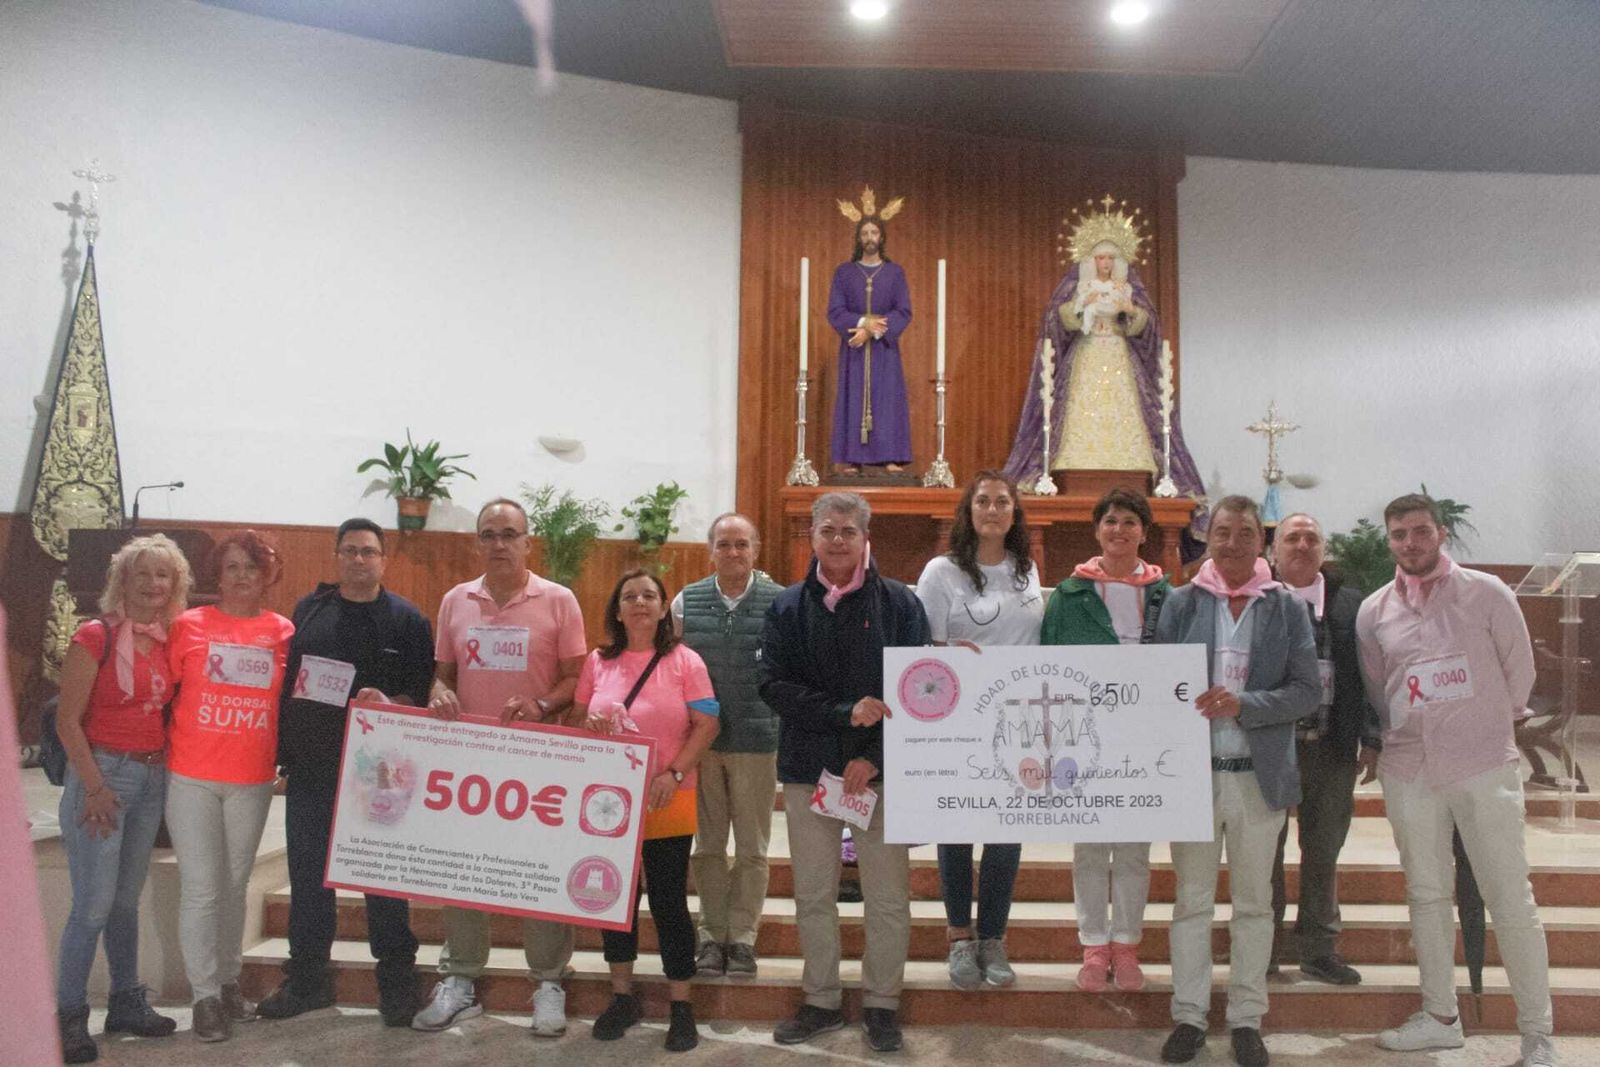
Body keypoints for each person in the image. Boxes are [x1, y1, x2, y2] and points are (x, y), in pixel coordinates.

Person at [1356, 494, 1557, 1067]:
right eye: (1399, 535)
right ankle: (1440, 1017)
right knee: (1425, 894)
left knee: (1510, 897)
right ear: (1389, 540)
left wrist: (1478, 721)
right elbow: (1379, 685)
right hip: (1409, 768)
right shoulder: (1374, 610)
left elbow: (1520, 672)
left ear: (1440, 533)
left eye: (1420, 531)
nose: (1410, 543)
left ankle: (1537, 1034)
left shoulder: (1487, 592)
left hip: (1482, 764)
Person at [760, 491, 931, 1053]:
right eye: (828, 530)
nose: (837, 540)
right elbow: (775, 687)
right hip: (810, 773)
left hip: (876, 775)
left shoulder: (901, 605)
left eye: (848, 531)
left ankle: (881, 1004)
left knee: (886, 897)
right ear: (812, 535)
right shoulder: (785, 607)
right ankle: (822, 1000)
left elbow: (919, 690)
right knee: (813, 894)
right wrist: (842, 715)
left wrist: (872, 755)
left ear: (865, 538)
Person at [1153, 496, 1319, 1067]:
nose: (1231, 543)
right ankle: (1189, 1016)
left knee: (1254, 904)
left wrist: (1243, 703)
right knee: (1191, 903)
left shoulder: (1287, 608)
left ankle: (1247, 1018)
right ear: (1209, 538)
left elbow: (1307, 692)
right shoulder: (1180, 603)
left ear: (1260, 541)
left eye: (1244, 533)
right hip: (1192, 778)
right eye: (1221, 532)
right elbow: (1156, 684)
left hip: (1258, 778)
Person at [414, 497, 586, 1036]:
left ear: (528, 542)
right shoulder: (454, 601)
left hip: (537, 763)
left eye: (510, 534)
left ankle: (549, 982)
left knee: (539, 871)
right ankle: (462, 980)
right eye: (489, 534)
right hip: (470, 761)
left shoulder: (559, 601)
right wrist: (440, 694)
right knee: (465, 870)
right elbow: (441, 674)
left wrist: (540, 705)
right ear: (478, 543)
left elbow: (576, 680)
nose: (500, 544)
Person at [257, 518, 435, 1026]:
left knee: (382, 878)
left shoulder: (408, 620)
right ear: (337, 557)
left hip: (381, 775)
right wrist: (285, 757)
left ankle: (398, 985)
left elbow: (421, 695)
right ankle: (309, 981)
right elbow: (292, 686)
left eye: (369, 552)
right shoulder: (309, 612)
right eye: (350, 551)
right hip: (313, 767)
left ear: (384, 559)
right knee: (309, 879)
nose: (359, 560)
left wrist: (391, 701)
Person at [53, 535, 192, 1063]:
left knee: (123, 902)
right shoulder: (94, 637)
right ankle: (68, 1014)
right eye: (144, 575)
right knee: (90, 906)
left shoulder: (167, 639)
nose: (154, 585)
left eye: (164, 576)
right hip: (103, 778)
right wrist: (93, 786)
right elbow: (67, 721)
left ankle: (126, 1000)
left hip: (151, 778)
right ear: (123, 580)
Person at [578, 568, 720, 1052]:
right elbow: (581, 718)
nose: (639, 603)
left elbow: (706, 725)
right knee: (614, 900)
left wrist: (674, 773)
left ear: (664, 608)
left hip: (666, 796)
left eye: (649, 596)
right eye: (629, 596)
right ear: (617, 610)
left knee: (667, 901)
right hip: (608, 802)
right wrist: (592, 724)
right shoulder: (598, 661)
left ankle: (682, 1004)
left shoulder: (685, 661)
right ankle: (623, 996)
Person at [165, 530, 296, 1043]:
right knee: (201, 889)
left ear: (268, 575)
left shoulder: (283, 631)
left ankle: (226, 984)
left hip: (252, 779)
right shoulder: (188, 626)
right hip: (191, 776)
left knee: (235, 887)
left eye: (253, 568)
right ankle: (203, 999)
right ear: (217, 576)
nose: (242, 577)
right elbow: (162, 691)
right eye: (233, 568)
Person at [915, 471, 1042, 991]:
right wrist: (950, 656)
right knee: (957, 828)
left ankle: (994, 937)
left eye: (1002, 502)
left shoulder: (1026, 570)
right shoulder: (941, 572)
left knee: (1006, 830)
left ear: (1014, 513)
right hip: (960, 718)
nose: (992, 509)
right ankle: (959, 938)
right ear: (969, 512)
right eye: (982, 500)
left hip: (1019, 718)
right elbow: (921, 647)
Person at [1041, 488, 1170, 994]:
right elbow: (1047, 664)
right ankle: (1094, 944)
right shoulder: (1070, 594)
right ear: (1097, 530)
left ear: (1144, 532)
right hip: (1083, 737)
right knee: (1091, 845)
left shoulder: (1166, 595)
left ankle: (1128, 945)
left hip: (1144, 738)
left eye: (1130, 523)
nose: (1120, 531)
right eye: (1111, 521)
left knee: (1135, 849)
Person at [1003, 205, 1203, 500]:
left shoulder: (1127, 288)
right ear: (1090, 260)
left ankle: (1132, 468)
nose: (1105, 263)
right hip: (1087, 352)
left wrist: (1129, 310)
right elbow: (1058, 321)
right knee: (1079, 407)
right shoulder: (1080, 286)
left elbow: (1146, 325)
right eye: (1100, 257)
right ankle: (1073, 467)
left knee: (1127, 410)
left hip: (1119, 353)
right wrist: (1082, 306)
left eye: (1110, 258)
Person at [1266, 513, 1380, 986]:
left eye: (1311, 537)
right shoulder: (1257, 599)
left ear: (1322, 550)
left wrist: (1371, 737)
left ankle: (1318, 949)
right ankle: (1265, 947)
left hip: (1331, 747)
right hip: (1269, 749)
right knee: (1263, 853)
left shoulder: (1353, 605)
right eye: (1291, 537)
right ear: (1274, 552)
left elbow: (1373, 674)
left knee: (1323, 850)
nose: (1302, 544)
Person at [669, 513, 784, 979]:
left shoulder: (780, 603)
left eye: (742, 544)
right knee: (709, 846)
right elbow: (669, 666)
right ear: (710, 550)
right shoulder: (685, 602)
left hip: (758, 740)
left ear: (756, 549)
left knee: (753, 848)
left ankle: (743, 938)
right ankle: (712, 935)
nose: (733, 552)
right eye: (724, 544)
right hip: (702, 744)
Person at [827, 217, 913, 474]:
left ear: (882, 237)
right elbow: (835, 310)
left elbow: (903, 311)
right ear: (858, 238)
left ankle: (889, 456)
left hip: (884, 350)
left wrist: (874, 332)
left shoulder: (895, 273)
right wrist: (864, 324)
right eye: (864, 233)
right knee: (854, 397)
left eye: (874, 232)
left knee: (886, 400)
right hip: (854, 348)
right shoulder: (844, 272)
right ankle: (852, 458)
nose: (869, 237)